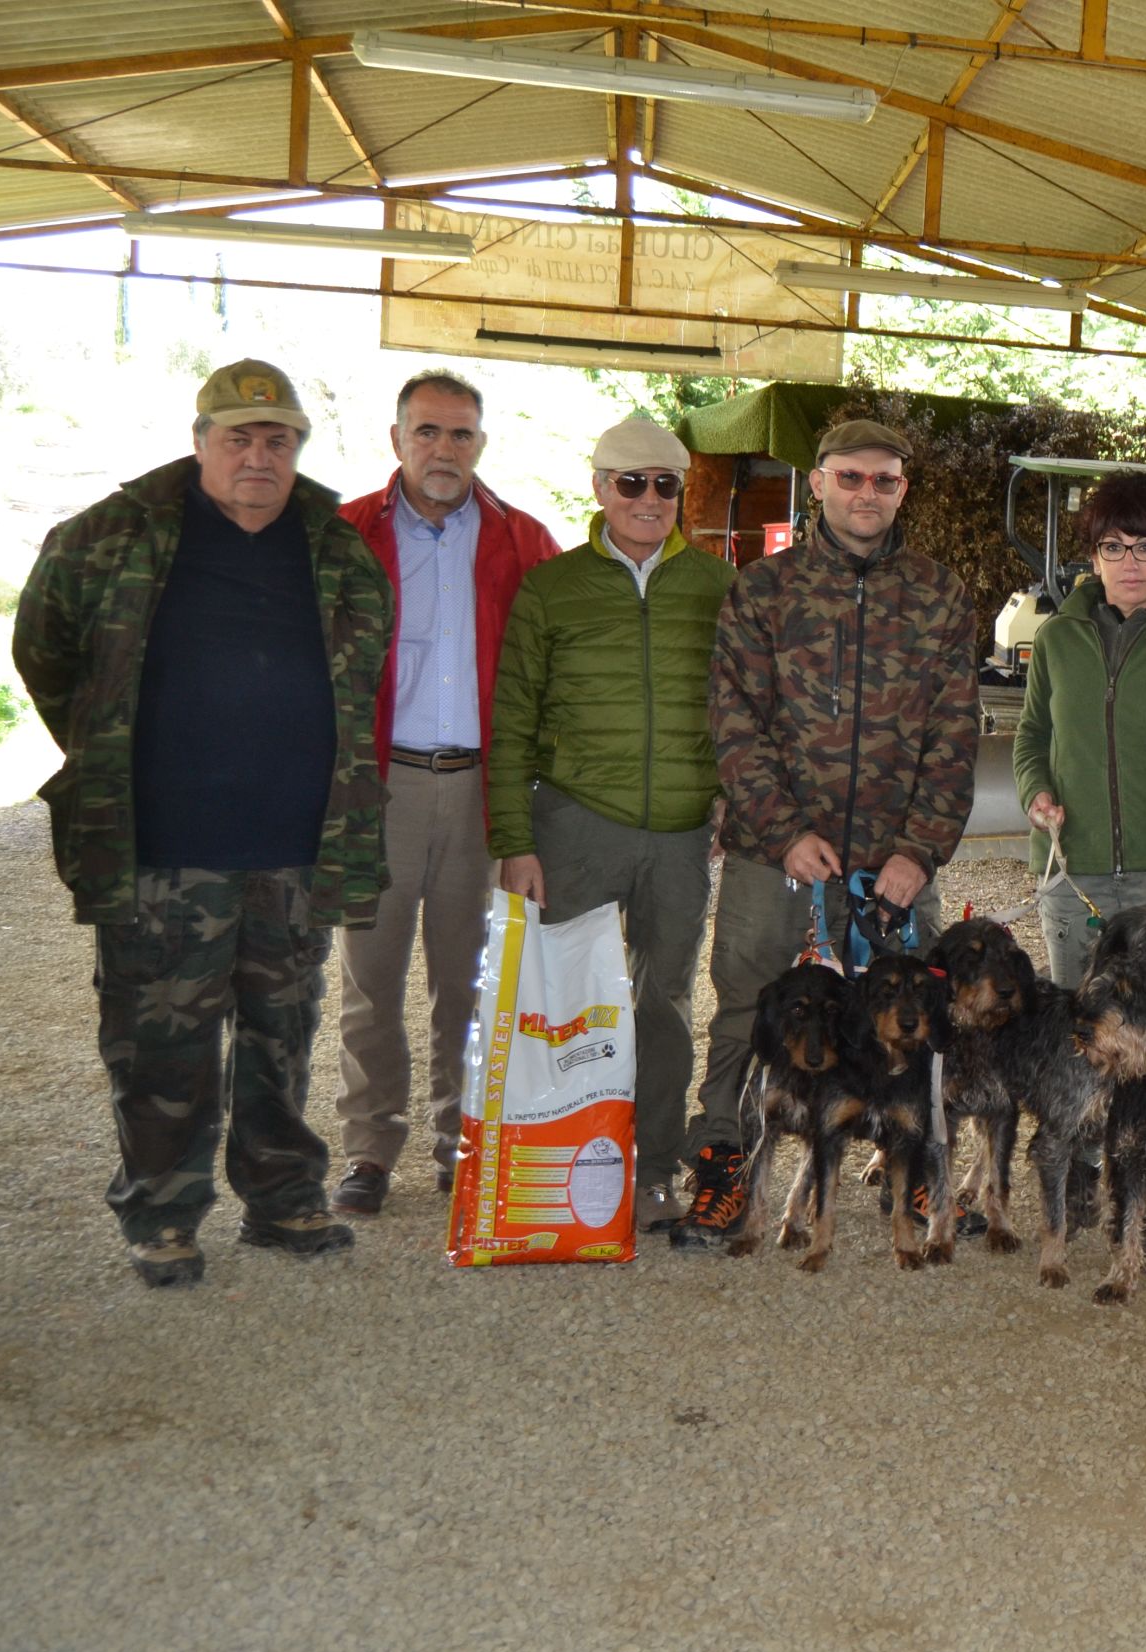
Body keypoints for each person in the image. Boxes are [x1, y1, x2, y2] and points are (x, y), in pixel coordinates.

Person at [13, 358, 391, 1286]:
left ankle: (283, 1197)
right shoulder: (108, 536)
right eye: (239, 438)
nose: (259, 456)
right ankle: (163, 1215)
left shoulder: (337, 548)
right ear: (199, 443)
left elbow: (363, 670)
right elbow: (46, 653)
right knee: (160, 1044)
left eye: (278, 440)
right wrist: (109, 747)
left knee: (282, 1037)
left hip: (296, 848)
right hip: (163, 849)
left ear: (297, 449)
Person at [671, 418, 981, 1249]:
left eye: (884, 480)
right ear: (817, 483)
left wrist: (919, 850)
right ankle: (725, 1164)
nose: (866, 493)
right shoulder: (763, 592)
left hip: (894, 863)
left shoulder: (939, 594)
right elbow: (734, 721)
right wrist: (782, 833)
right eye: (849, 477)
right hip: (775, 858)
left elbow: (956, 731)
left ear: (902, 490)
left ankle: (912, 1167)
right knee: (749, 1010)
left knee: (909, 1017)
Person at [487, 416, 734, 1229]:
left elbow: (744, 706)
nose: (648, 498)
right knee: (563, 1003)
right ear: (599, 488)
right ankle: (560, 1169)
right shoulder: (552, 588)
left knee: (662, 1004)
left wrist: (730, 795)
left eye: (666, 484)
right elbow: (513, 720)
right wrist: (514, 841)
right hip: (577, 824)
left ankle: (653, 1171)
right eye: (630, 482)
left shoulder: (718, 586)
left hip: (679, 833)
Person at [329, 371, 560, 1216]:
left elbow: (555, 673)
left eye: (460, 434)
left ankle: (459, 1142)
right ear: (396, 439)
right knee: (371, 979)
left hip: (479, 789)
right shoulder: (345, 535)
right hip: (377, 785)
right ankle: (369, 1147)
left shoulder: (523, 540)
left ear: (481, 445)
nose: (443, 449)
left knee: (468, 982)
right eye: (426, 432)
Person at [1015, 470, 1146, 982]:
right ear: (1094, 559)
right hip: (1072, 872)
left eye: (1145, 547)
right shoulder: (1055, 639)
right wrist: (1036, 793)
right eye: (1113, 547)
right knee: (1081, 1016)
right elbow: (1032, 736)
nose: (1129, 562)